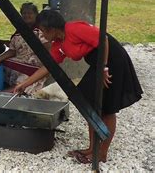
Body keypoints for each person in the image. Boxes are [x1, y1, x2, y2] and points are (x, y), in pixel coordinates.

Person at [14, 10, 143, 164]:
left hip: (112, 60)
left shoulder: (73, 29)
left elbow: (104, 39)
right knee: (87, 103)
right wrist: (24, 84)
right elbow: (48, 66)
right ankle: (92, 147)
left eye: (42, 32)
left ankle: (102, 153)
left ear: (51, 29)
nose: (42, 36)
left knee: (107, 107)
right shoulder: (58, 44)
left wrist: (104, 68)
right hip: (98, 64)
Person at [0, 2, 49, 94]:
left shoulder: (40, 31)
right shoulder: (19, 31)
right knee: (0, 65)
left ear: (36, 15)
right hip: (20, 61)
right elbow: (12, 51)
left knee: (25, 77)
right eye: (24, 13)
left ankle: (4, 93)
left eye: (30, 13)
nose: (26, 15)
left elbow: (48, 48)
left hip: (35, 64)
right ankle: (0, 87)